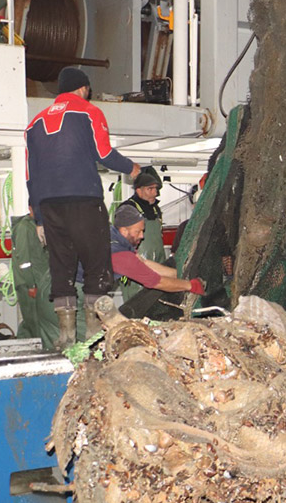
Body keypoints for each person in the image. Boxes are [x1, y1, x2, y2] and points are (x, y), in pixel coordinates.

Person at [26, 66, 140, 348]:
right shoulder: (89, 112)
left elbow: (32, 176)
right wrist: (132, 168)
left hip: (50, 208)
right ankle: (93, 334)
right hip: (84, 202)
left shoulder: (34, 124)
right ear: (83, 88)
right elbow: (104, 154)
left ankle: (66, 338)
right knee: (96, 264)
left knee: (61, 267)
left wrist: (39, 218)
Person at [110, 204, 205, 296]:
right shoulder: (120, 254)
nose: (142, 236)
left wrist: (180, 274)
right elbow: (157, 282)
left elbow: (143, 263)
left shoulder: (117, 238)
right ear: (124, 231)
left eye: (142, 231)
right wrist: (191, 286)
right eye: (137, 231)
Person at [11, 207, 60, 351]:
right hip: (30, 285)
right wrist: (31, 284)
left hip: (41, 283)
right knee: (34, 324)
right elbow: (24, 261)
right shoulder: (24, 228)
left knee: (37, 323)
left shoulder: (40, 226)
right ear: (30, 208)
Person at [120, 172, 166, 301]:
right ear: (138, 190)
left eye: (155, 189)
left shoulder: (156, 209)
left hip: (158, 263)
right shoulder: (127, 209)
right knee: (136, 302)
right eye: (150, 189)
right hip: (136, 264)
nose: (154, 193)